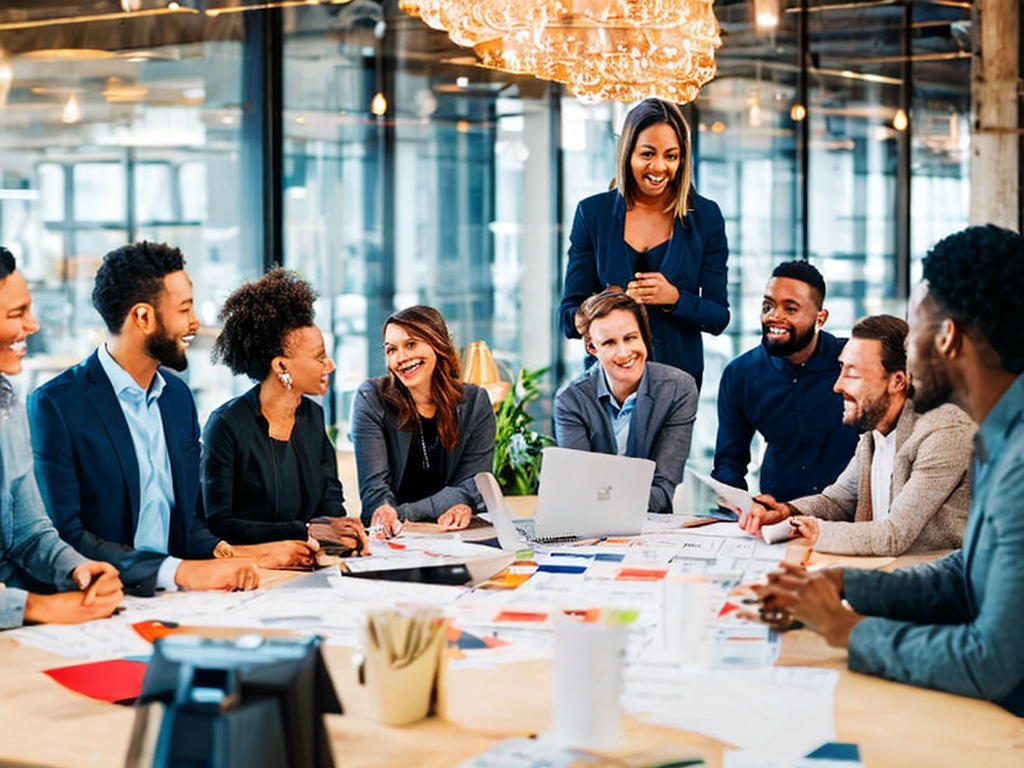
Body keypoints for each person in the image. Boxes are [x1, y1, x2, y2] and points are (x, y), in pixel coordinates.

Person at [755, 224, 1024, 715]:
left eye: (913, 325)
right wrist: (845, 585)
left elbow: (991, 662)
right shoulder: (999, 439)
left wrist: (845, 630)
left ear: (948, 339)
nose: (908, 342)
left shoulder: (1015, 463)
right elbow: (966, 575)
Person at [28, 242, 300, 597]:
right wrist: (178, 572)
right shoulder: (56, 405)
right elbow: (68, 536)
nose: (195, 322)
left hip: (177, 598)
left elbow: (185, 520)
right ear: (143, 317)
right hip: (102, 599)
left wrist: (246, 554)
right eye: (184, 309)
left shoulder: (177, 397)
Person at [739, 314, 973, 556]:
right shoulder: (874, 435)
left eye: (853, 373)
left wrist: (816, 531)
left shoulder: (944, 432)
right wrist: (786, 511)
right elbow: (838, 501)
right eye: (842, 368)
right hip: (885, 573)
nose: (837, 386)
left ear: (898, 381)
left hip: (934, 582)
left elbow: (894, 535)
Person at [558, 97, 729, 389]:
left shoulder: (706, 217)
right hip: (607, 384)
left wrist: (675, 299)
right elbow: (567, 319)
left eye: (671, 156)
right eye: (648, 154)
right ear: (628, 153)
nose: (660, 167)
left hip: (678, 384)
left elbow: (718, 316)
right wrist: (599, 306)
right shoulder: (592, 214)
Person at [202, 269, 368, 555]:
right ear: (281, 367)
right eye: (319, 357)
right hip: (250, 572)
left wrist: (343, 531)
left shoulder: (312, 417)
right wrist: (302, 531)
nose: (330, 366)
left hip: (306, 564)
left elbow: (330, 501)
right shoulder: (226, 426)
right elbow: (219, 523)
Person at [0, 246, 123, 628]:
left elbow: (29, 532)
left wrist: (78, 570)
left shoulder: (7, 404)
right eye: (16, 314)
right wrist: (33, 607)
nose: (32, 325)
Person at [713, 260, 858, 501]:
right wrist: (738, 510)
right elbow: (729, 464)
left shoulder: (852, 361)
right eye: (768, 306)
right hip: (779, 513)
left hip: (851, 515)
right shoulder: (740, 374)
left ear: (820, 318)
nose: (774, 316)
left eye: (790, 309)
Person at [351, 305, 496, 535]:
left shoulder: (475, 402)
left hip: (454, 536)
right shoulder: (371, 399)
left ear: (437, 344)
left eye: (411, 344)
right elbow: (375, 498)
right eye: (391, 350)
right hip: (394, 540)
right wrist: (449, 501)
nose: (401, 358)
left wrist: (458, 505)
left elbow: (474, 485)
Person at [554, 291, 698, 514]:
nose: (624, 353)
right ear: (592, 348)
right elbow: (578, 488)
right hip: (591, 529)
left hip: (650, 527)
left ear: (643, 336)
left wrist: (600, 500)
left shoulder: (678, 389)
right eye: (609, 342)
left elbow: (662, 490)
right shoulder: (570, 401)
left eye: (630, 338)